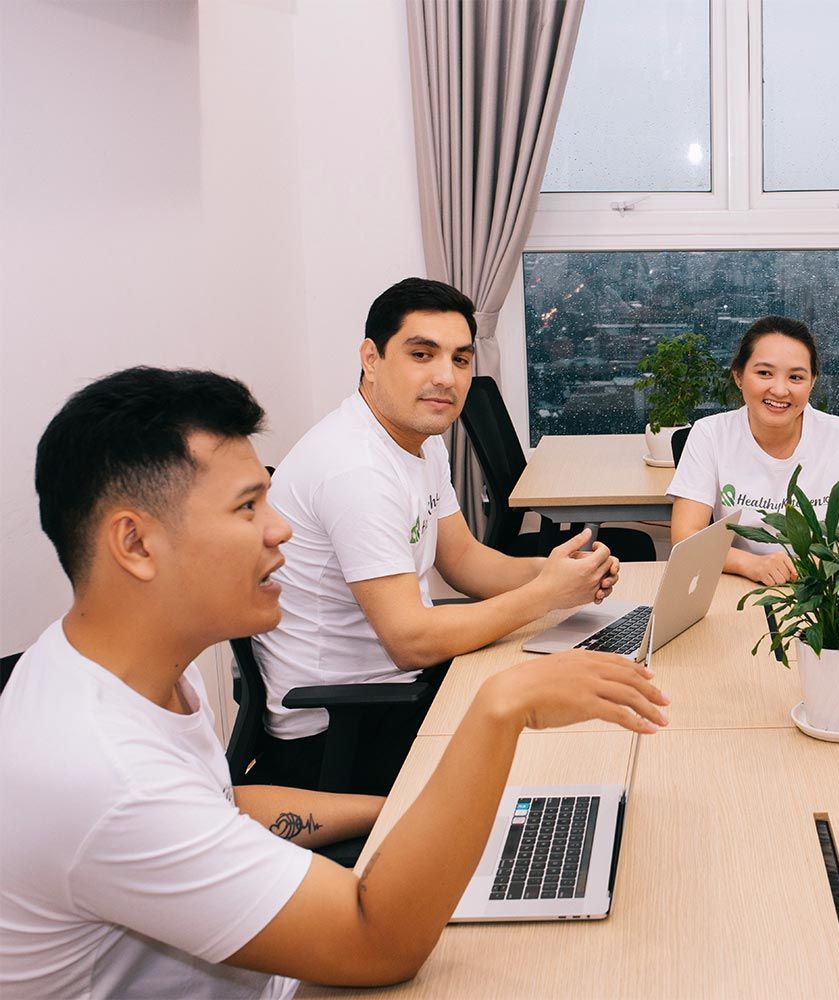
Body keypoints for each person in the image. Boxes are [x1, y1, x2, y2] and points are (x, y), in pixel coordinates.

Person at [0, 367, 668, 998]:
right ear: (135, 544)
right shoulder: (103, 772)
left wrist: (411, 812)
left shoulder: (117, 670)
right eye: (247, 507)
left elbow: (221, 808)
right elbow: (380, 947)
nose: (281, 527)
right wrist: (503, 706)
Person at [253, 278, 622, 793]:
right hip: (341, 734)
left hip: (400, 693)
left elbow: (465, 562)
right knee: (568, 747)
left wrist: (559, 573)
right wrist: (544, 596)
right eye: (422, 354)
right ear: (371, 358)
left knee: (582, 705)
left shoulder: (419, 441)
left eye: (461, 359)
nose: (445, 377)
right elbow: (409, 641)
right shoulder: (354, 469)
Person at [667, 315, 839, 585]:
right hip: (740, 586)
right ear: (739, 376)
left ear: (812, 382)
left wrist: (822, 562)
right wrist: (752, 565)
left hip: (825, 586)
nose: (780, 390)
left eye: (796, 377)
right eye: (764, 373)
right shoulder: (710, 434)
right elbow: (686, 537)